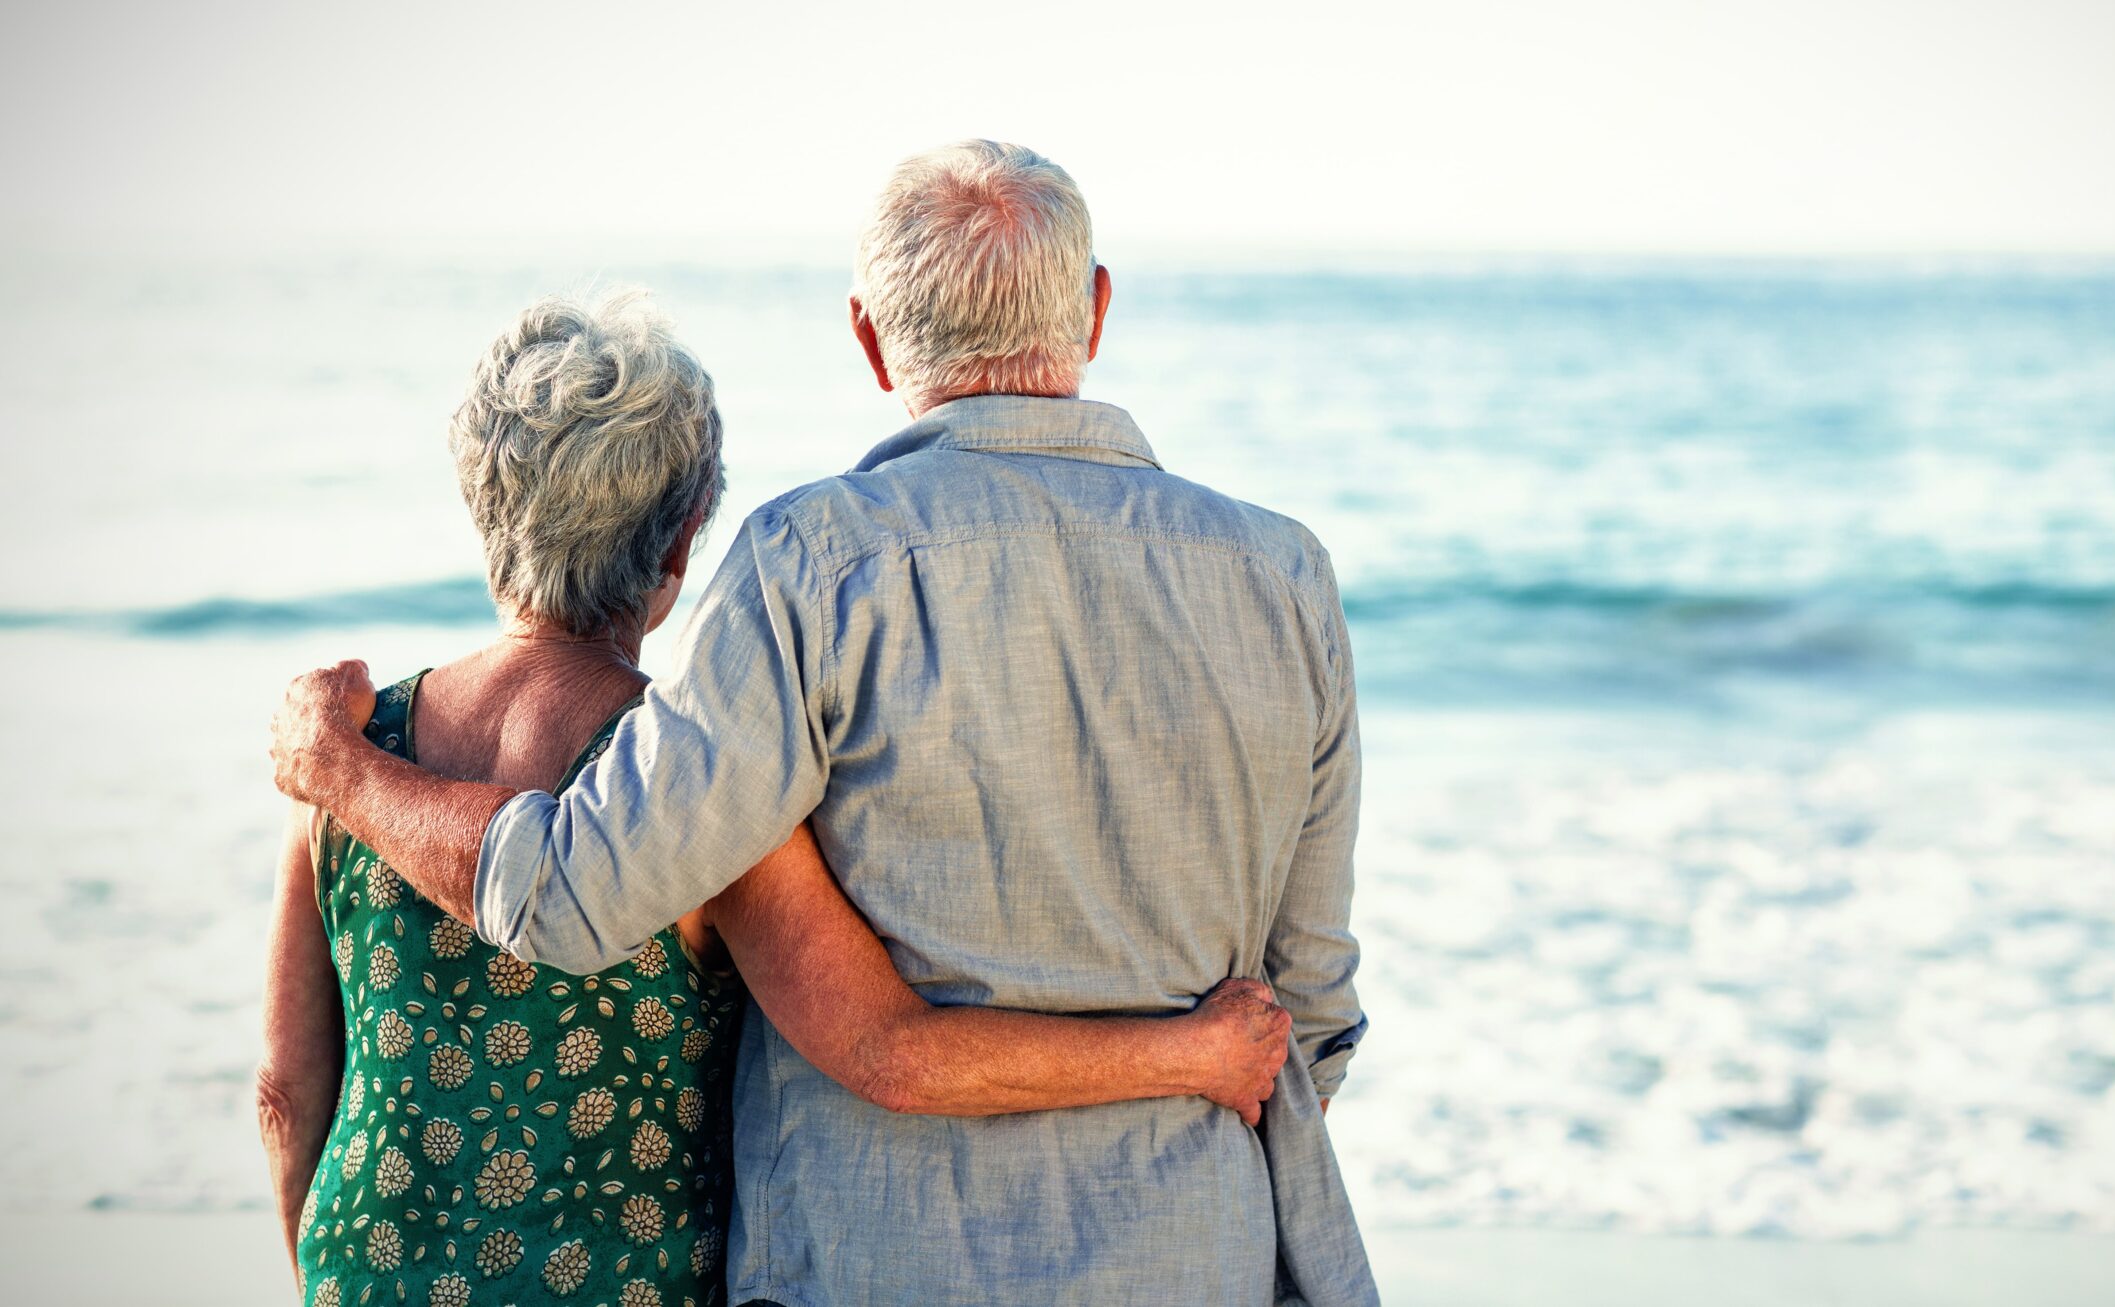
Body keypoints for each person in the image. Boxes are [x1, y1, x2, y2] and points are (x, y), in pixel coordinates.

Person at [268, 140, 1377, 1306]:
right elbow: (1310, 1011)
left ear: (867, 335)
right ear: (1094, 311)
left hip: (876, 1266)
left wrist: (340, 767)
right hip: (1193, 1258)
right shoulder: (1286, 576)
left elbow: (575, 893)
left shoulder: (813, 567)